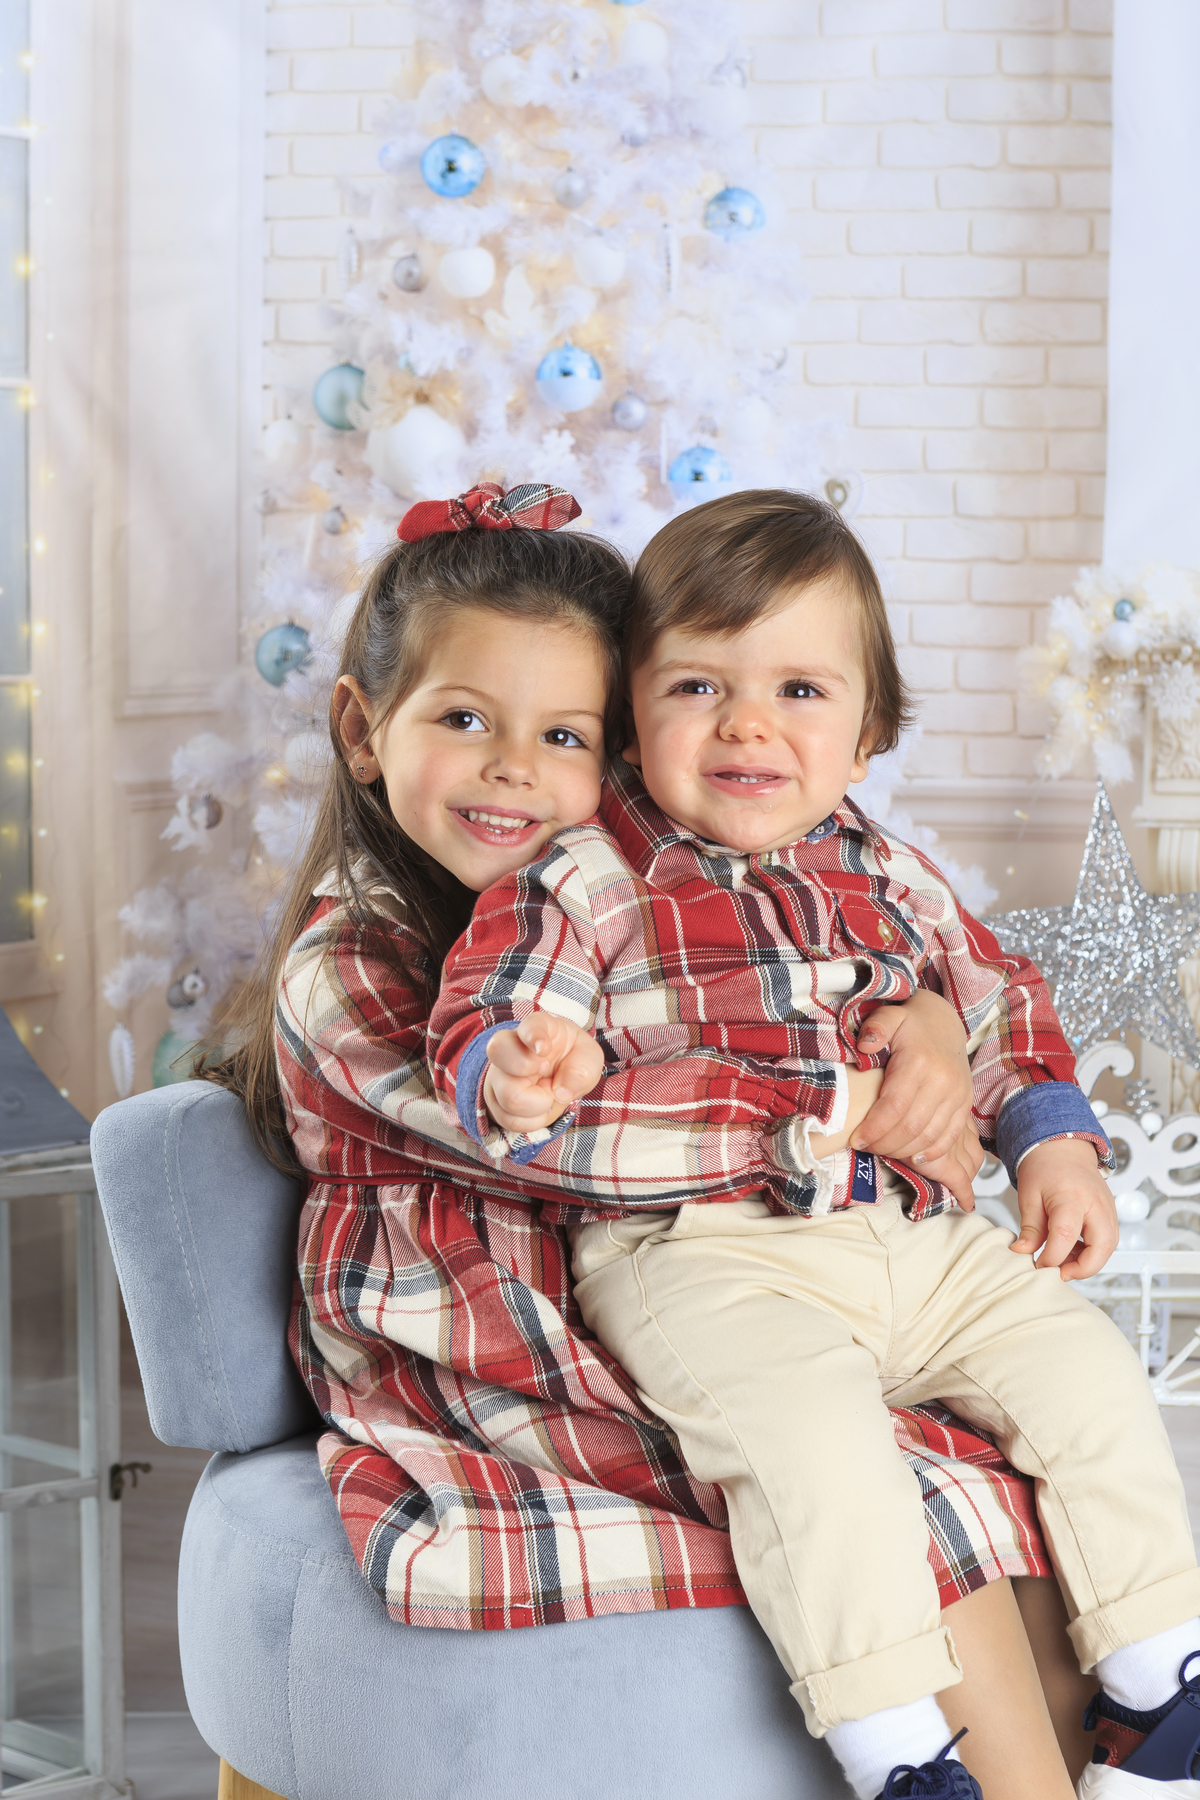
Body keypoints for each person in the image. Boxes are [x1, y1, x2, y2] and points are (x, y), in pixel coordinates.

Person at [207, 484, 1095, 1800]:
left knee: (1003, 1476)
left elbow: (869, 978)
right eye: (463, 720)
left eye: (562, 733)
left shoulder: (615, 913)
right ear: (361, 729)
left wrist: (926, 1022)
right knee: (900, 1502)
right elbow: (548, 1141)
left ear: (616, 756)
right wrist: (842, 1116)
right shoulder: (349, 964)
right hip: (497, 1341)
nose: (514, 767)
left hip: (677, 1289)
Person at [428, 488, 1200, 1800]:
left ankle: (1159, 1682)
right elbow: (502, 988)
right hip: (708, 1256)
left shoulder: (893, 872)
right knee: (816, 1453)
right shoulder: (591, 873)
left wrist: (1053, 1143)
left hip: (920, 1239)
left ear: (869, 728)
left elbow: (998, 994)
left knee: (1086, 1373)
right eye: (695, 686)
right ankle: (899, 1751)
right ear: (632, 713)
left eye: (798, 689)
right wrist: (516, 1059)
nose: (746, 724)